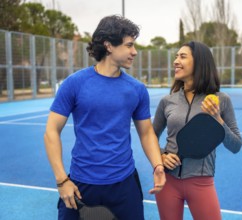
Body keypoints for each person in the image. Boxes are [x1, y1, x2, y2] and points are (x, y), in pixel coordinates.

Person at [44, 15, 165, 220]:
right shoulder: (74, 84)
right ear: (109, 45)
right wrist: (62, 181)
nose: (134, 52)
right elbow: (51, 132)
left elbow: (146, 132)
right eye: (129, 45)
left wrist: (157, 165)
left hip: (124, 185)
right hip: (81, 185)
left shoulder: (136, 89)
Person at [152, 41, 242, 220]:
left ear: (199, 63)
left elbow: (236, 145)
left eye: (182, 56)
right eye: (176, 56)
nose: (176, 61)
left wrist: (217, 119)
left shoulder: (221, 100)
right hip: (167, 182)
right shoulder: (166, 101)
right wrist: (161, 156)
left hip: (201, 181)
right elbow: (151, 137)